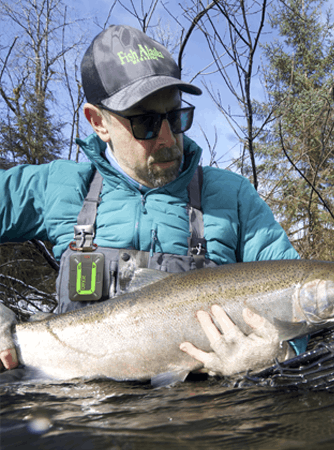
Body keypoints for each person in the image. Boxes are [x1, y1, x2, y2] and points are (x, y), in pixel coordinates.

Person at [0, 25, 307, 378]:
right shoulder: (57, 185)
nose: (167, 139)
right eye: (145, 123)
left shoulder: (232, 195)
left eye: (175, 117)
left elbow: (299, 300)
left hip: (202, 421)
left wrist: (277, 352)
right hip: (78, 417)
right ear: (98, 121)